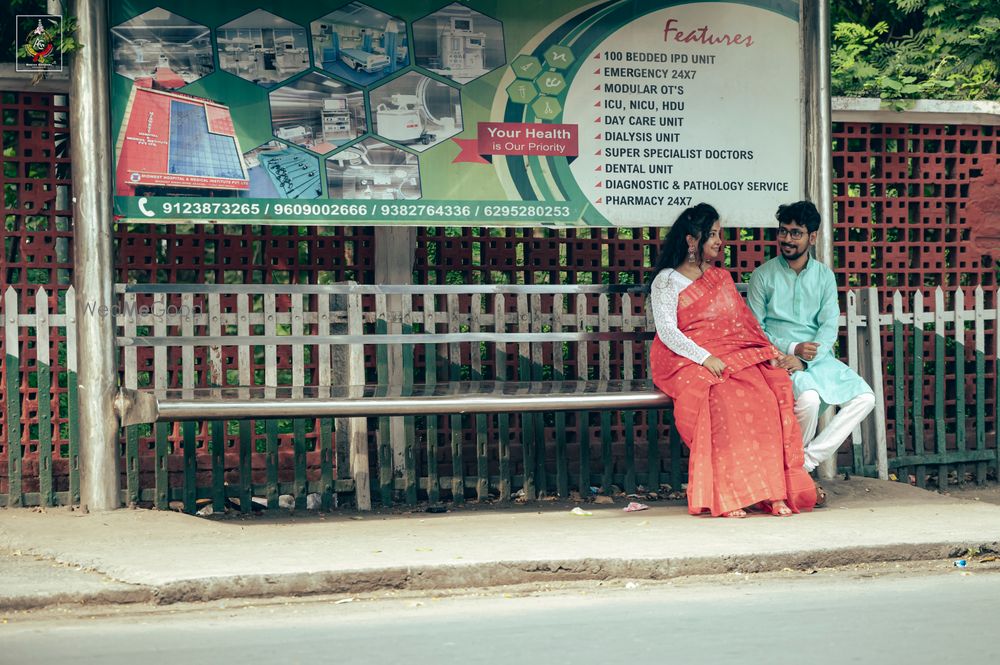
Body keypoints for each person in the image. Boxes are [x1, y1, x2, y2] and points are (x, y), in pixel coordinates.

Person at [648, 203, 816, 518]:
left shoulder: (720, 278)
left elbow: (742, 325)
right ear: (691, 240)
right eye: (712, 234)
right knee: (721, 398)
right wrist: (705, 357)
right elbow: (668, 332)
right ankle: (730, 494)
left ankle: (770, 492)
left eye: (719, 234)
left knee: (767, 396)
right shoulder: (667, 281)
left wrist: (772, 353)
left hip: (729, 357)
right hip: (685, 359)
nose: (719, 241)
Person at [748, 201, 876, 502]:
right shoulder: (763, 276)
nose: (788, 239)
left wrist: (806, 359)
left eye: (796, 233)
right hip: (777, 357)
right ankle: (793, 470)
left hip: (818, 359)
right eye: (784, 232)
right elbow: (755, 328)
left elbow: (829, 327)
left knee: (865, 398)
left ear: (812, 237)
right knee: (808, 399)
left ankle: (803, 462)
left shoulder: (824, 277)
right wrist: (791, 349)